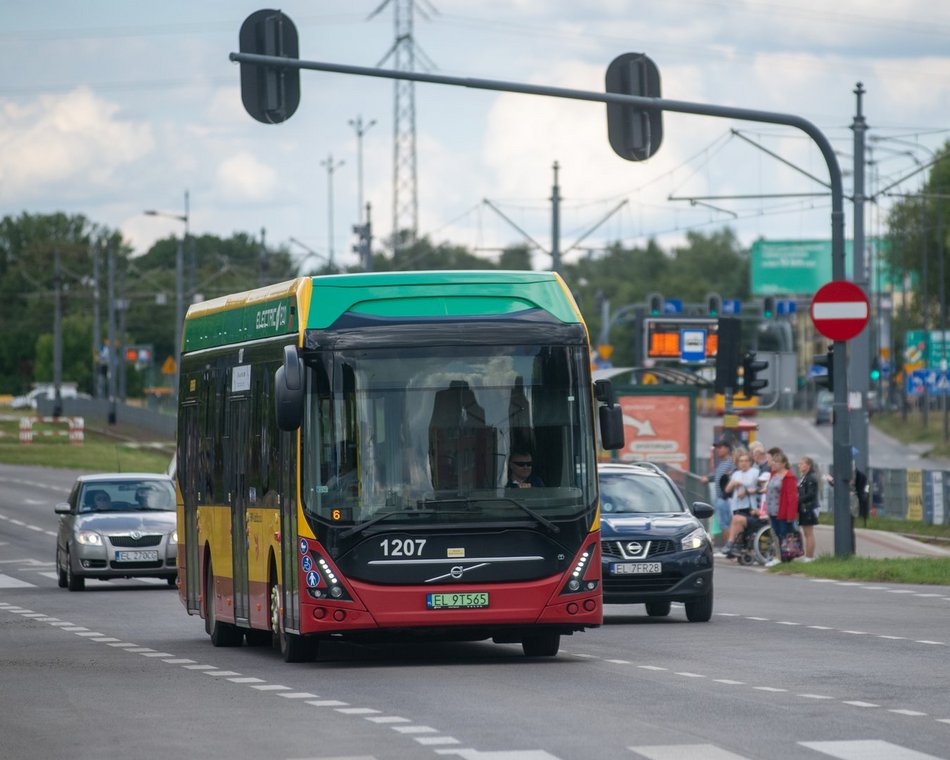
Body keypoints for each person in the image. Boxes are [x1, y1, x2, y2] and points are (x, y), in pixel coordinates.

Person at [718, 450, 760, 558]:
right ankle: (737, 547)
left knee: (737, 520)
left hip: (749, 507)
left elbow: (750, 483)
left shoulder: (754, 472)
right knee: (736, 525)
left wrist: (737, 482)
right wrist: (733, 483)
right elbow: (727, 490)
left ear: (750, 462)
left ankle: (731, 544)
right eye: (741, 461)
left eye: (746, 461)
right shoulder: (736, 474)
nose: (743, 463)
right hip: (737, 506)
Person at [763, 447, 799, 566]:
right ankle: (780, 557)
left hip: (782, 511)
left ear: (783, 464)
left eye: (776, 461)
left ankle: (786, 558)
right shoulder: (773, 474)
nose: (773, 463)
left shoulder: (788, 477)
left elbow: (791, 498)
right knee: (776, 534)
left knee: (785, 535)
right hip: (772, 510)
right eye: (773, 461)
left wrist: (791, 515)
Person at [700, 439, 735, 546]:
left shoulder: (730, 463)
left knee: (726, 525)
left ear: (727, 449)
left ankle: (728, 548)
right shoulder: (722, 464)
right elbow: (716, 476)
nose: (717, 450)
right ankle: (727, 548)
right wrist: (708, 478)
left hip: (726, 499)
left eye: (720, 448)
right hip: (720, 498)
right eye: (717, 448)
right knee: (723, 525)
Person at [796, 455, 821, 561]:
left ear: (808, 465)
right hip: (803, 507)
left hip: (809, 508)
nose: (799, 466)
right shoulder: (803, 477)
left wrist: (798, 500)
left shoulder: (811, 478)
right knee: (806, 533)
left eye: (802, 464)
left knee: (809, 533)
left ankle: (810, 557)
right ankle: (808, 556)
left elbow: (811, 494)